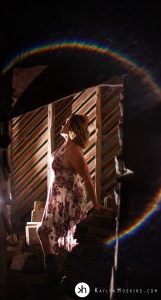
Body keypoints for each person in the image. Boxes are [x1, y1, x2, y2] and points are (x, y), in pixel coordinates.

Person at [36, 113, 109, 283]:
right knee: (45, 232)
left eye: (66, 122)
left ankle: (58, 277)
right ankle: (56, 275)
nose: (63, 123)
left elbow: (87, 178)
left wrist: (96, 204)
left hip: (70, 199)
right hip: (57, 197)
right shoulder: (65, 146)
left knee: (47, 232)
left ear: (72, 129)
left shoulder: (75, 150)